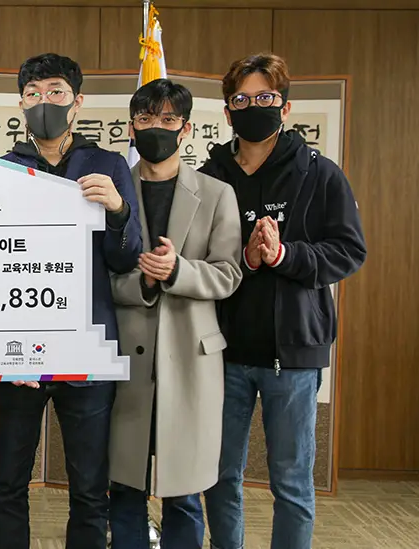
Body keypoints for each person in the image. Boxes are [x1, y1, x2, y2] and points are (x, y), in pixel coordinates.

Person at [201, 53, 366, 549]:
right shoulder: (210, 176)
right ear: (227, 112)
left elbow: (349, 251)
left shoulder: (320, 173)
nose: (254, 107)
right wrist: (247, 259)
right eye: (242, 100)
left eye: (266, 97)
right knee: (219, 477)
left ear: (285, 107)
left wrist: (284, 255)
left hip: (292, 355)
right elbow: (199, 259)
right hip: (222, 353)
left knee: (291, 484)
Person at [0, 53, 142, 549]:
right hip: (18, 350)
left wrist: (117, 210)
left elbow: (126, 258)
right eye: (33, 93)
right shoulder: (0, 170)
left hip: (87, 346)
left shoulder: (108, 165)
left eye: (55, 91)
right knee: (8, 480)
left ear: (77, 102)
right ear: (20, 103)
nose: (44, 101)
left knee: (90, 487)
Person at [106, 79, 242, 549]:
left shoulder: (217, 193)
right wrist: (143, 282)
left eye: (167, 119)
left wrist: (177, 270)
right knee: (124, 487)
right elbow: (95, 279)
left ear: (185, 129)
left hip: (191, 359)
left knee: (184, 491)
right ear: (131, 128)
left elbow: (228, 275)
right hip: (126, 359)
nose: (156, 128)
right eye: (145, 119)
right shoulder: (113, 192)